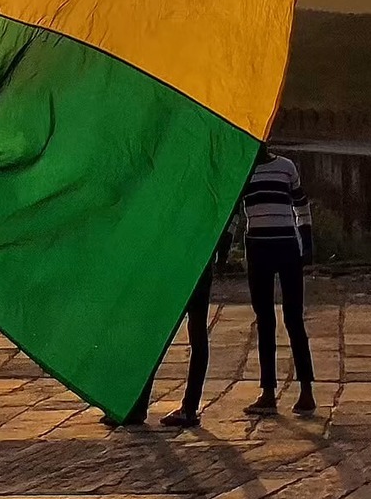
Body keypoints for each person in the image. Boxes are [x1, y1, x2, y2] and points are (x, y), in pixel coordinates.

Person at [109, 224, 232, 429]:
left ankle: (141, 406)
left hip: (182, 263)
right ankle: (185, 408)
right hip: (197, 261)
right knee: (192, 333)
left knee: (157, 335)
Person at [240, 146, 316, 415]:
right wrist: (224, 248)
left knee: (294, 319)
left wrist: (306, 243)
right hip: (257, 250)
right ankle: (268, 391)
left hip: (287, 249)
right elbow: (234, 213)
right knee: (264, 321)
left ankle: (306, 390)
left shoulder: (286, 167)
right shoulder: (243, 170)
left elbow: (301, 203)